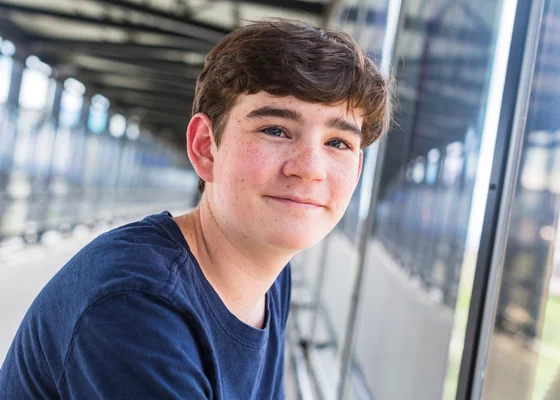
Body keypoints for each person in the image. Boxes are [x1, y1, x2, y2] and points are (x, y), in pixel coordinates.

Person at [0, 18, 391, 399]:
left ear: (357, 170)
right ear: (206, 147)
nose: (309, 169)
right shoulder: (136, 307)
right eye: (275, 130)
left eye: (338, 142)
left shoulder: (271, 276)